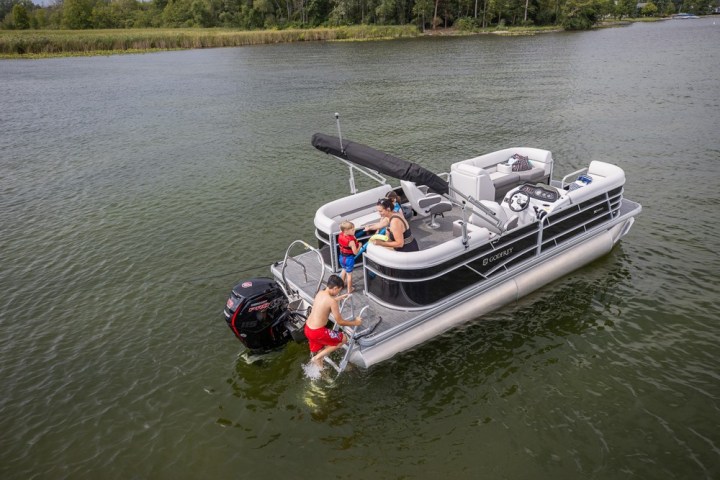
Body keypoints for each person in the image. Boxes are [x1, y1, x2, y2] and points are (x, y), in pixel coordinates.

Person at [304, 275, 362, 365]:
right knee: (343, 338)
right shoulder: (332, 302)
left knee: (321, 350)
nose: (338, 292)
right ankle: (317, 358)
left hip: (308, 329)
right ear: (335, 288)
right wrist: (356, 322)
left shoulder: (320, 293)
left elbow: (325, 302)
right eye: (339, 290)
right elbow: (340, 322)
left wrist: (338, 298)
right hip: (317, 332)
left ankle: (321, 373)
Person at [337, 221, 361, 293]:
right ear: (346, 231)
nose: (354, 230)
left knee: (344, 270)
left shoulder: (340, 235)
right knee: (349, 275)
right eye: (353, 230)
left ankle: (341, 286)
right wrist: (359, 245)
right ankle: (349, 289)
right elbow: (355, 252)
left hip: (341, 257)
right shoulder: (351, 242)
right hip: (349, 259)